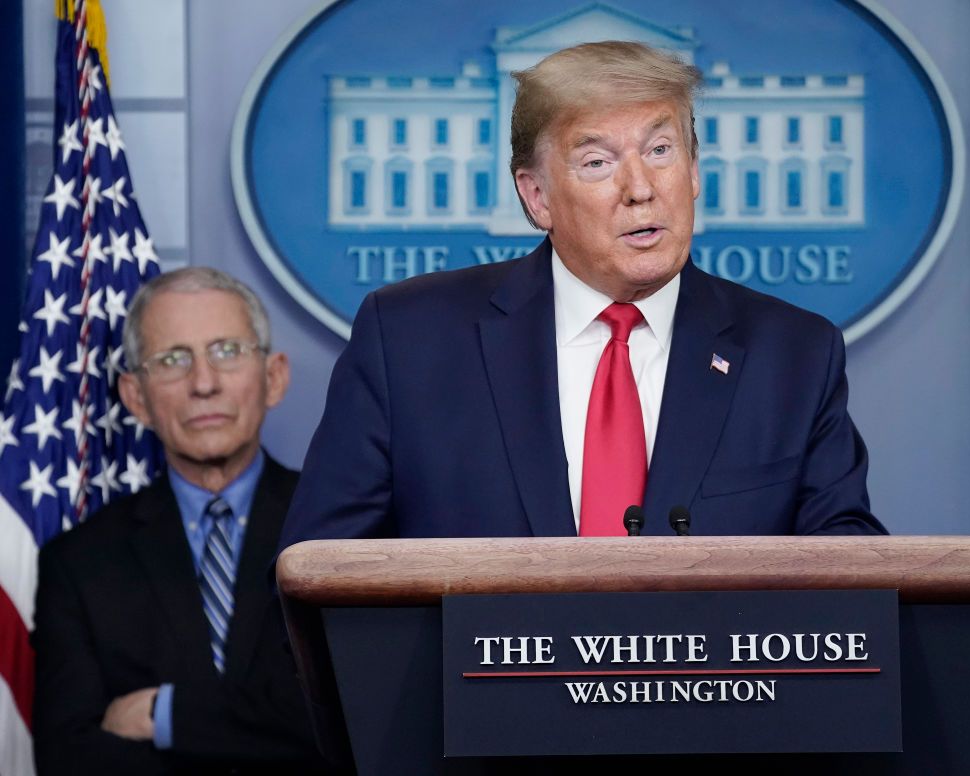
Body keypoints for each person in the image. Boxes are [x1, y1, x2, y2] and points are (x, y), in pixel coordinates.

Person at [279, 41, 886, 546]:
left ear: (695, 169)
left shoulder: (794, 354)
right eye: (597, 162)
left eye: (660, 150)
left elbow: (851, 578)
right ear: (537, 196)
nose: (641, 188)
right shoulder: (409, 339)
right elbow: (319, 576)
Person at [33, 268, 332, 773]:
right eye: (172, 360)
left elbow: (338, 720)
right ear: (135, 397)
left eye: (227, 351)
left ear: (274, 377)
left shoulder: (339, 533)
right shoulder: (78, 563)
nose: (203, 383)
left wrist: (162, 714)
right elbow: (70, 757)